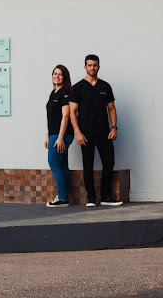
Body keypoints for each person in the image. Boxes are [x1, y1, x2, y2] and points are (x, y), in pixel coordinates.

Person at [69, 54, 123, 207]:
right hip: (85, 134)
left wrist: (114, 128)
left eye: (95, 65)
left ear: (99, 67)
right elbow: (72, 112)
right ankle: (91, 198)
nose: (92, 68)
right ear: (85, 67)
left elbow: (111, 108)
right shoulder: (77, 88)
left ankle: (106, 197)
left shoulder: (105, 86)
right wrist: (78, 133)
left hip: (104, 133)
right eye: (89, 65)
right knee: (88, 165)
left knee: (109, 162)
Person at [45, 64, 74, 207]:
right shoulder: (53, 93)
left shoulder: (65, 93)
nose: (56, 76)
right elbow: (52, 117)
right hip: (54, 134)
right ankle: (63, 196)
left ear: (65, 77)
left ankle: (63, 198)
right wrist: (48, 135)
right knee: (62, 165)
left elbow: (66, 116)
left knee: (54, 163)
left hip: (61, 135)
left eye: (60, 74)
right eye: (54, 73)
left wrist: (60, 137)